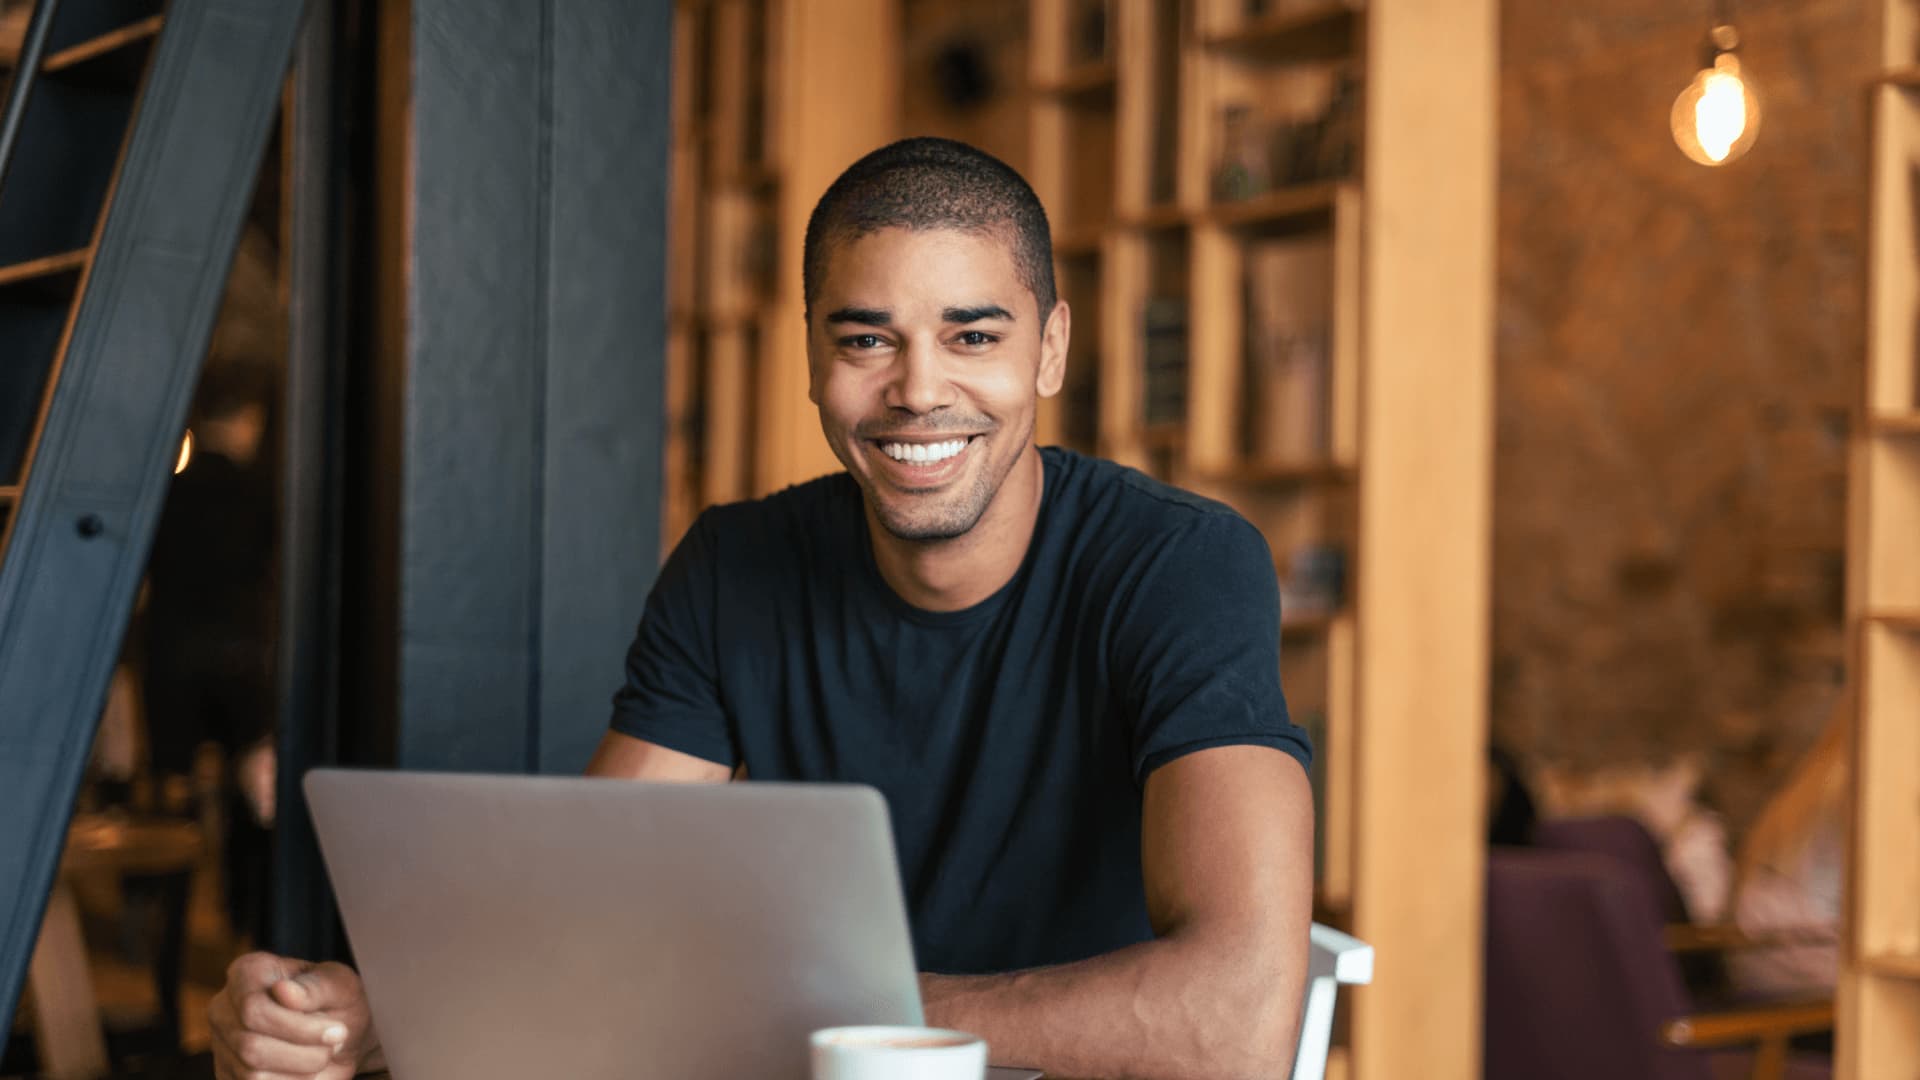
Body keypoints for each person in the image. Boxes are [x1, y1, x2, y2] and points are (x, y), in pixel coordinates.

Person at [208, 137, 1314, 1080]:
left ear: (1052, 350)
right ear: (812, 359)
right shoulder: (736, 566)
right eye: (865, 338)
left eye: (973, 336)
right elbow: (587, 910)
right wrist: (358, 1014)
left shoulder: (1182, 564)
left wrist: (835, 1013)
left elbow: (1241, 1020)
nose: (919, 389)